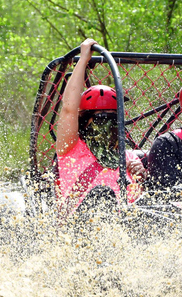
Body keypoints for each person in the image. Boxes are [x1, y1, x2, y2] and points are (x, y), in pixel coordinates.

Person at [54, 38, 146, 216]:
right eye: (101, 119)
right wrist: (83, 60)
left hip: (124, 228)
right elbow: (68, 109)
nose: (108, 125)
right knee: (102, 195)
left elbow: (139, 205)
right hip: (79, 227)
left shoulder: (127, 156)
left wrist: (142, 178)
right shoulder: (71, 149)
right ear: (85, 121)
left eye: (113, 118)